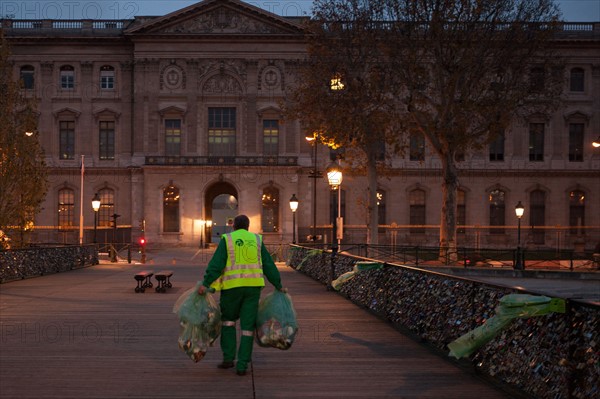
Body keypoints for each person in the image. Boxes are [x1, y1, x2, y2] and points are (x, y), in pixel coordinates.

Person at [197, 214, 284, 376]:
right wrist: (278, 284)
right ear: (248, 227)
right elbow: (268, 264)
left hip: (232, 288)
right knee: (247, 327)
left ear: (233, 226)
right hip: (253, 289)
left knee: (228, 322)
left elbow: (217, 264)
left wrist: (206, 283)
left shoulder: (228, 239)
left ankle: (228, 358)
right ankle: (242, 365)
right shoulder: (257, 240)